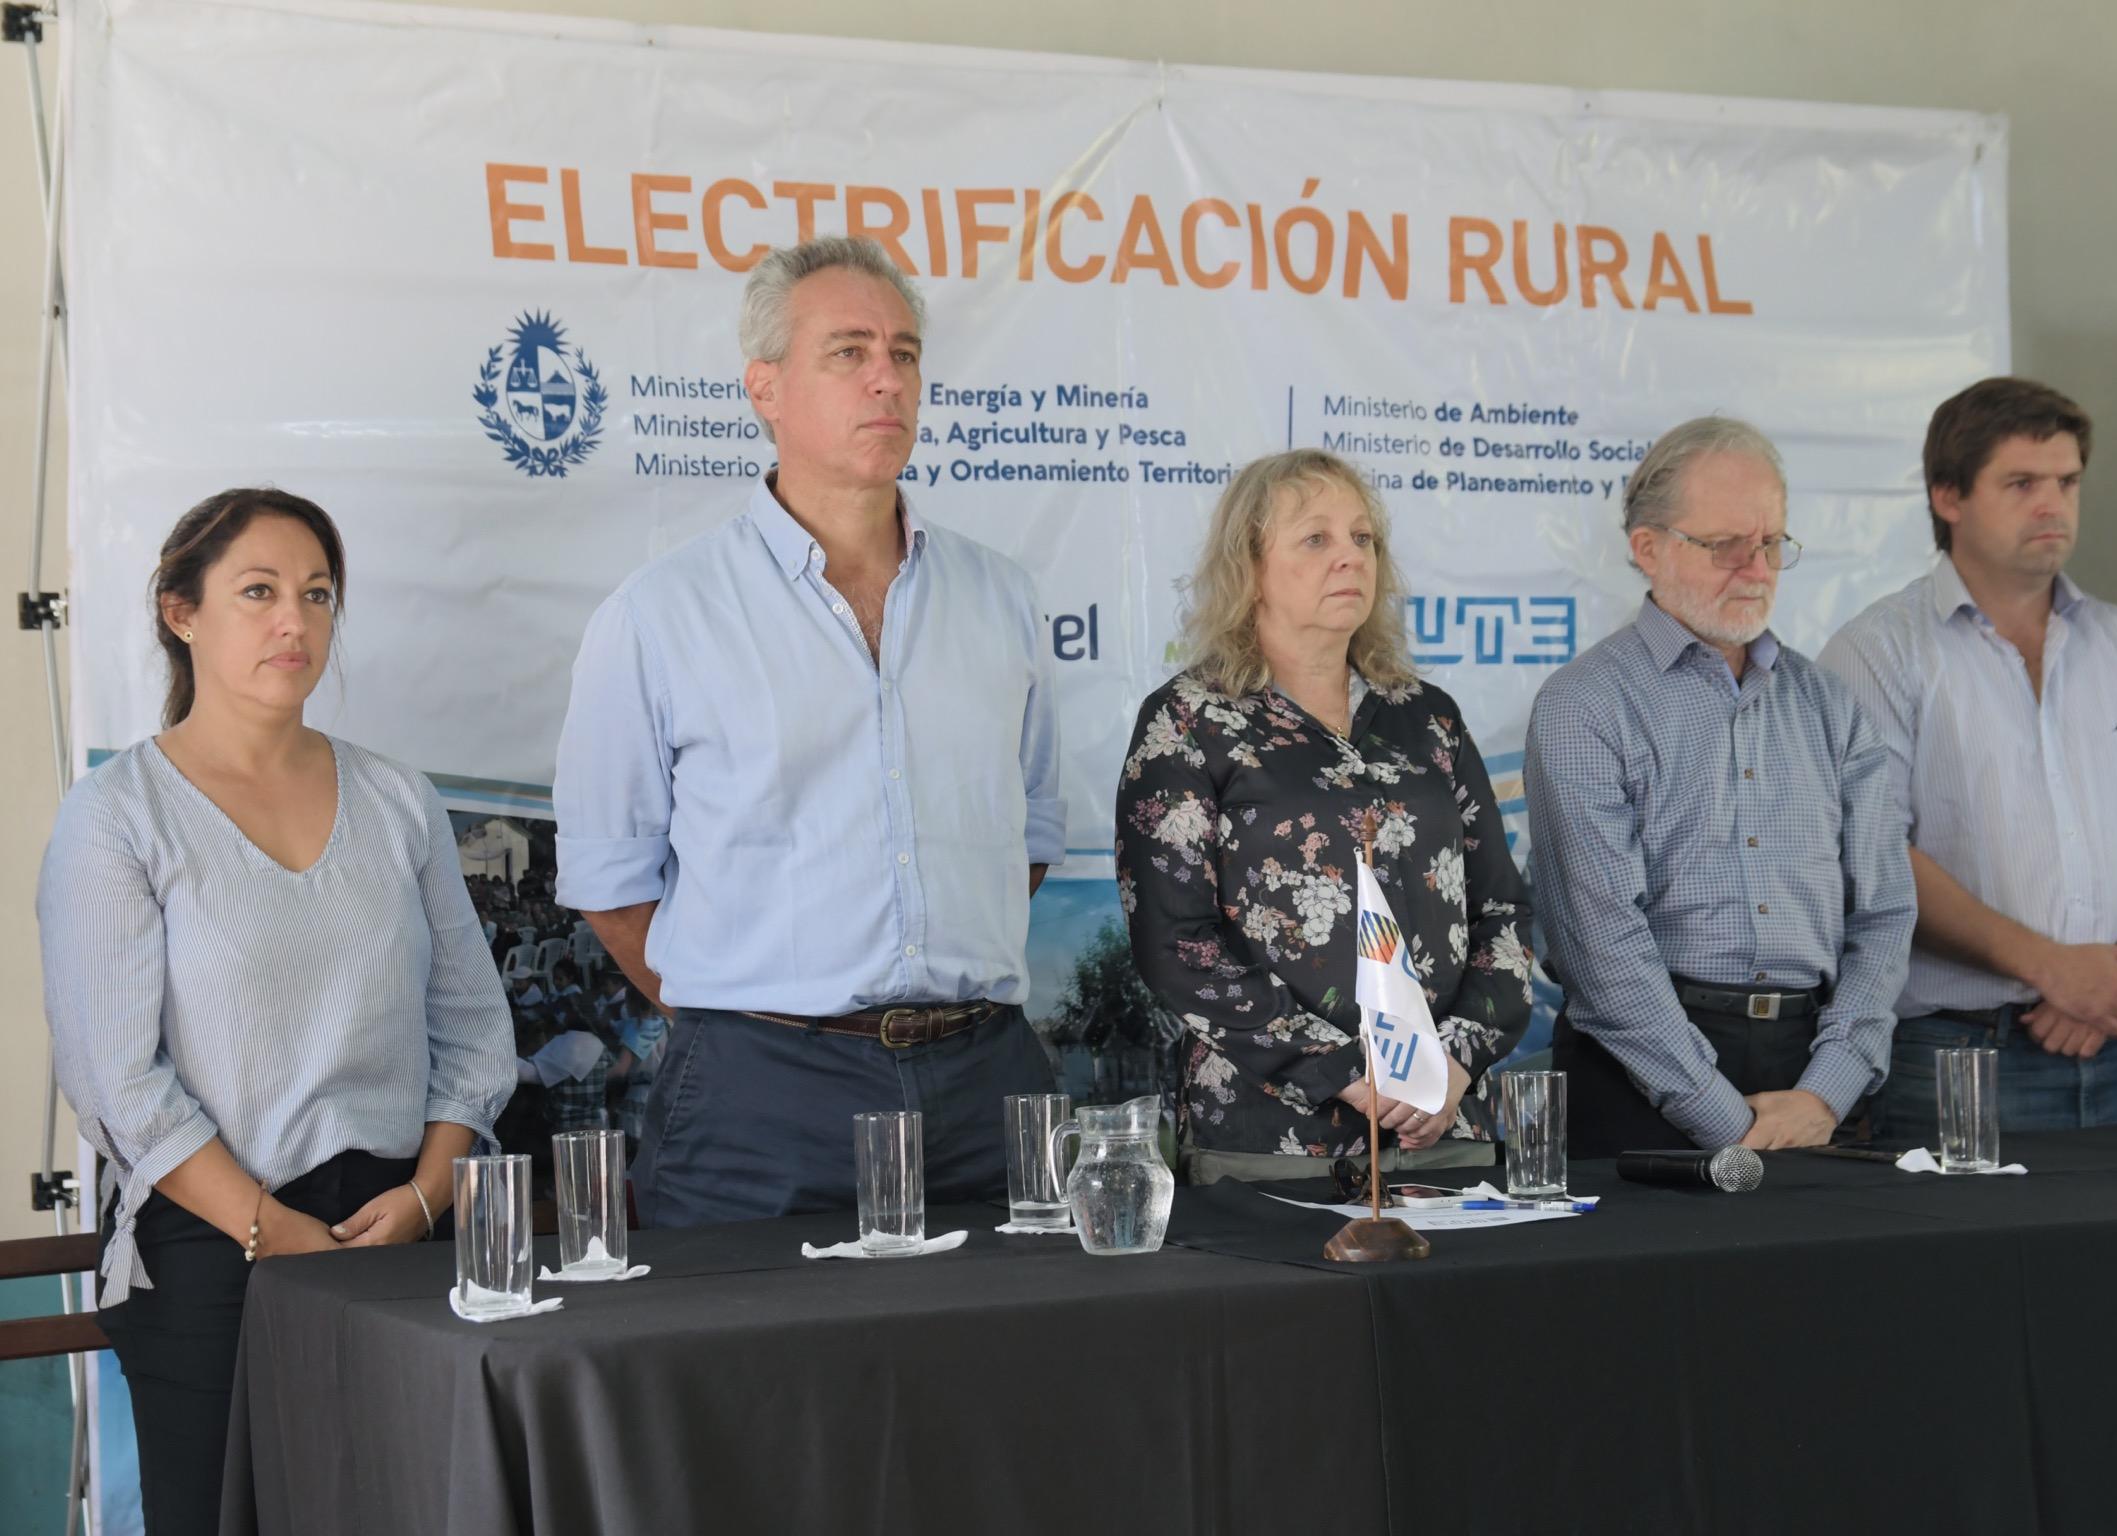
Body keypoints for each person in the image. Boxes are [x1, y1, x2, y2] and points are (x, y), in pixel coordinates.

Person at [554, 236, 1063, 1226]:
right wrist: (762, 1011)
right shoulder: (662, 613)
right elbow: (612, 886)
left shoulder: (1000, 598)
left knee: (1005, 1375)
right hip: (759, 1102)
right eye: (849, 352)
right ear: (765, 388)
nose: (887, 378)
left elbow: (1027, 840)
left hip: (985, 1087)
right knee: (748, 1377)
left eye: (905, 353)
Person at [37, 488, 514, 1536]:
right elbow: (117, 1078)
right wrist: (267, 1227)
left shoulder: (398, 799)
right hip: (210, 1244)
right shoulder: (118, 817)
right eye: (258, 592)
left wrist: (430, 1196)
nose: (294, 622)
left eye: (317, 594)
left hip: (399, 1231)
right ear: (180, 612)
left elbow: (474, 1027)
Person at [1821, 379, 2117, 1139]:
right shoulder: (1878, 652)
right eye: (2021, 484)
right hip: (1958, 1055)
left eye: (2067, 482)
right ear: (1948, 496)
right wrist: (2055, 969)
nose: (2053, 505)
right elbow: (1873, 853)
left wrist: (2115, 980)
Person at [1115, 449, 1535, 1183]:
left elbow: (1503, 910)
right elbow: (1176, 944)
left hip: (1443, 1132)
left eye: (1363, 538)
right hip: (1271, 1145)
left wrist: (1455, 1062)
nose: (1350, 558)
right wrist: (1342, 1073)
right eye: (1316, 539)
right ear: (1249, 566)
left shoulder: (1427, 718)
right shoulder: (1189, 723)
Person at [1524, 416, 1915, 1157]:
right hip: (1638, 1080)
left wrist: (1826, 1091)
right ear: (1648, 549)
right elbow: (1599, 943)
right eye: (1726, 545)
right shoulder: (1586, 705)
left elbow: (1886, 915)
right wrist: (1725, 1121)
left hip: (1806, 1078)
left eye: (1770, 543)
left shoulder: (1829, 704)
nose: (1757, 567)